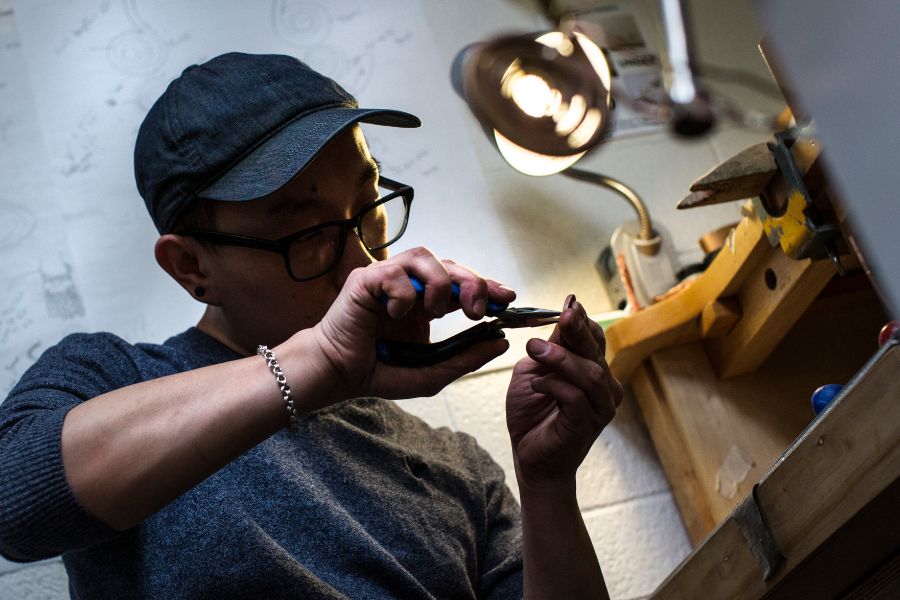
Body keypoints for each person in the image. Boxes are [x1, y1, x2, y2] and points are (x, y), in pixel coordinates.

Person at [0, 52, 623, 599]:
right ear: (191, 265)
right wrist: (320, 361)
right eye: (309, 233)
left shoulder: (452, 463)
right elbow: (15, 501)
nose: (362, 261)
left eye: (368, 205)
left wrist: (547, 483)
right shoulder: (111, 380)